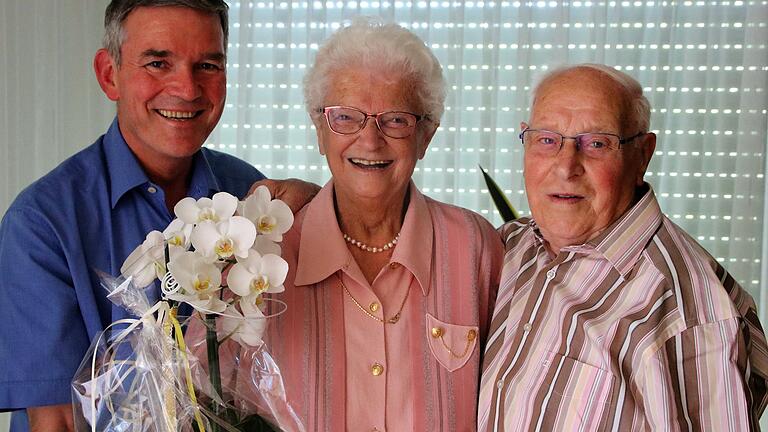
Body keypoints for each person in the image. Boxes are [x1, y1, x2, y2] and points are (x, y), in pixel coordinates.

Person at [0, 1, 315, 430]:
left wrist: (320, 207)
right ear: (110, 74)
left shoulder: (248, 194)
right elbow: (55, 421)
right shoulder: (42, 223)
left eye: (207, 65)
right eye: (157, 63)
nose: (186, 89)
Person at [217, 18, 503, 431]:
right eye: (346, 118)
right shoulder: (261, 254)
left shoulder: (474, 246)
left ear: (426, 136)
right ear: (319, 129)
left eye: (396, 120)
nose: (370, 141)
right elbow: (201, 399)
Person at [478, 64, 768, 431]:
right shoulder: (509, 247)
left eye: (597, 143)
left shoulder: (693, 315)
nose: (566, 166)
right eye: (547, 140)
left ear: (642, 155)